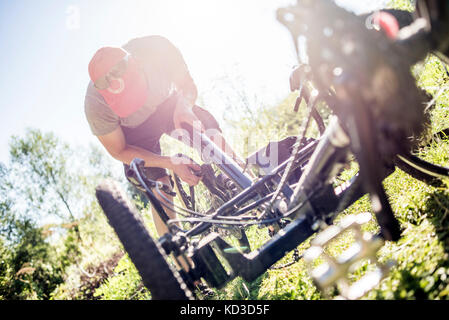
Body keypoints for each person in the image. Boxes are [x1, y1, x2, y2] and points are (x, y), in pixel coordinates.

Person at [84, 35, 243, 238]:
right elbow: (119, 150)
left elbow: (187, 86)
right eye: (125, 101)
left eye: (134, 92)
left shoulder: (158, 50)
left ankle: (254, 187)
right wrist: (170, 162)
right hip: (133, 134)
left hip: (168, 104)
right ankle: (180, 259)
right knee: (159, 187)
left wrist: (184, 106)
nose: (136, 103)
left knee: (206, 131)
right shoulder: (95, 104)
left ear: (139, 65)